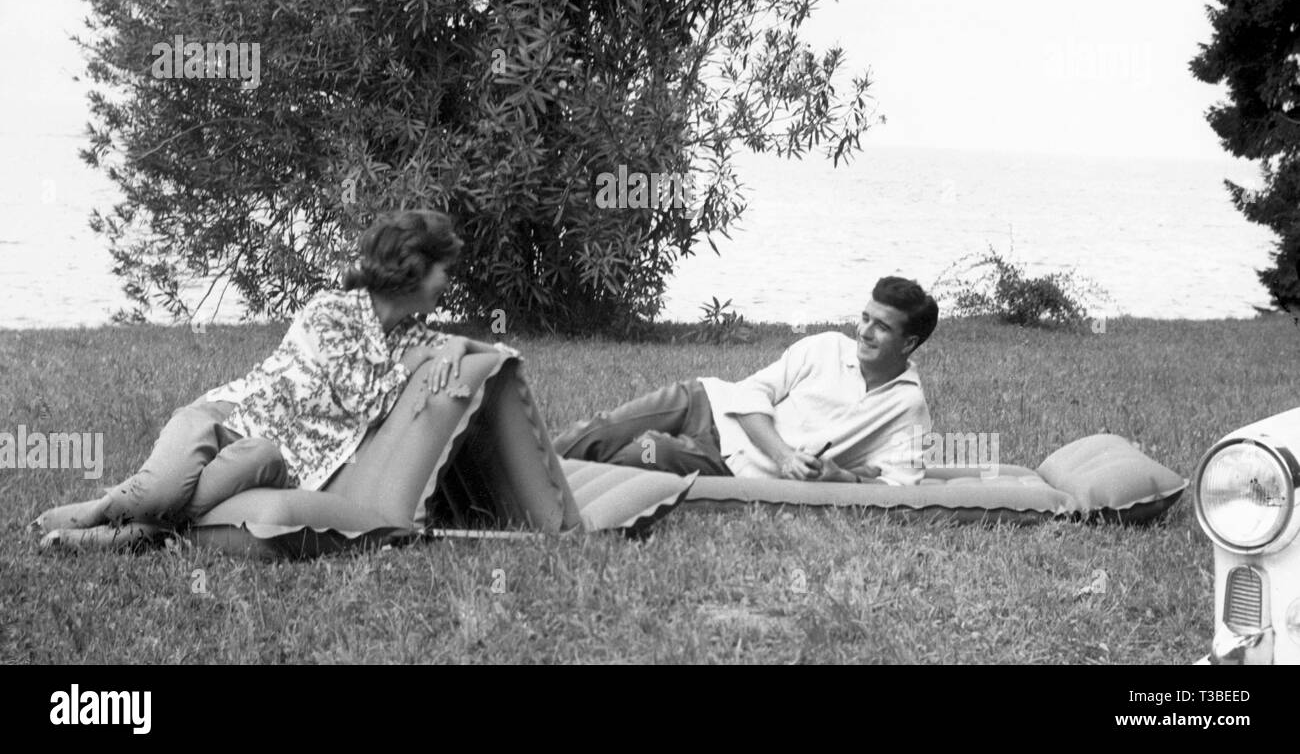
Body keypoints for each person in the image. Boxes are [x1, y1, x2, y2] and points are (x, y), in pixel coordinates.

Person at [34, 209, 509, 550]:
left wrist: (456, 344)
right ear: (415, 268)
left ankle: (118, 529)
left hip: (271, 455)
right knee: (162, 495)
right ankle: (102, 514)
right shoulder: (331, 312)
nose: (450, 280)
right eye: (444, 269)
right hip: (222, 417)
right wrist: (418, 359)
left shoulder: (408, 335)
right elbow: (363, 398)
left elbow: (497, 352)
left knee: (255, 454)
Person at [554, 276, 938, 485]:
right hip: (708, 402)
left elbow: (898, 482)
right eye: (865, 318)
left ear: (908, 343)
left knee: (645, 453)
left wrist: (845, 477)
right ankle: (519, 469)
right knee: (602, 431)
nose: (865, 332)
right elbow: (753, 392)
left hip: (733, 461)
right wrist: (784, 456)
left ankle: (559, 494)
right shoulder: (824, 348)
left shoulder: (906, 407)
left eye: (881, 327)